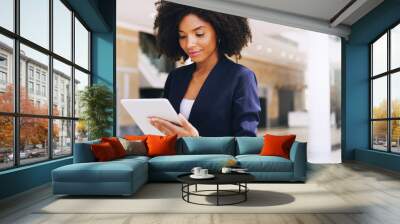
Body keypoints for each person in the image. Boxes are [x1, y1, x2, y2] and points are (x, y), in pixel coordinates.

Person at [149, 0, 261, 137]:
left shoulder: (241, 77)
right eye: (182, 36)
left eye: (199, 34)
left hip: (218, 159)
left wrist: (196, 142)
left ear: (219, 32)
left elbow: (247, 142)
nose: (189, 44)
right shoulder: (176, 77)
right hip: (173, 157)